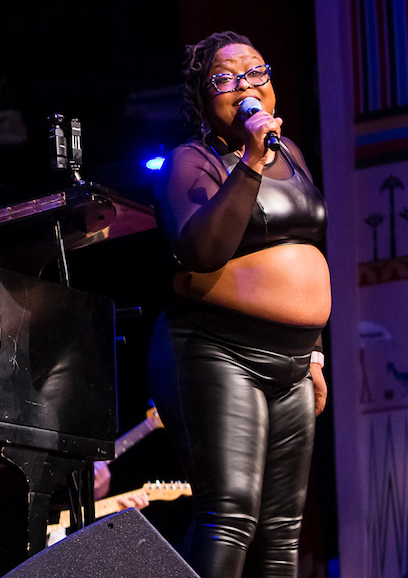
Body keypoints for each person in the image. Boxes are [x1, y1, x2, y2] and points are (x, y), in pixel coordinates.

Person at [147, 31, 328, 578]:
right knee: (230, 515)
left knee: (282, 531)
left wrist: (315, 354)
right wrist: (249, 157)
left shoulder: (291, 154)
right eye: (224, 79)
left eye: (256, 73)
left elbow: (305, 254)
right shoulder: (191, 162)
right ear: (204, 103)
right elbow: (201, 250)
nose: (245, 85)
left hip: (294, 364)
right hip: (216, 350)